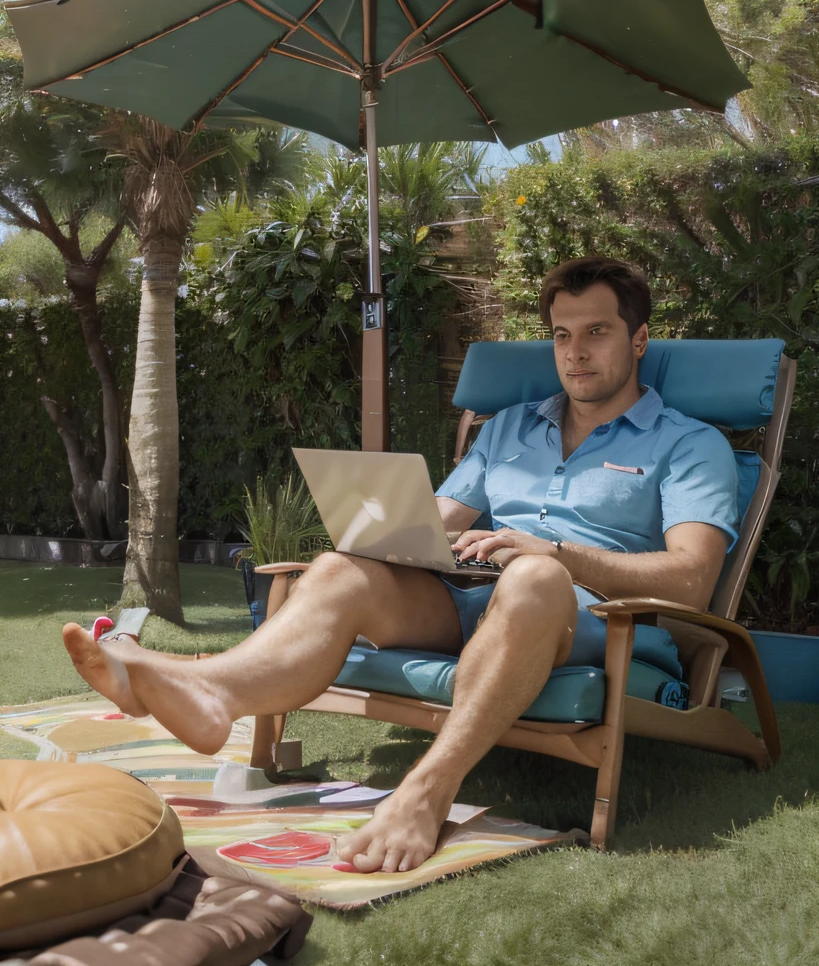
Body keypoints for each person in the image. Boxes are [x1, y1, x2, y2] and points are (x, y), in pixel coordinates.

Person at [62, 256, 739, 875]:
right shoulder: (509, 428)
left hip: (596, 618)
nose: (575, 352)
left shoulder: (687, 444)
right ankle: (213, 694)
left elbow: (690, 577)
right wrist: (381, 532)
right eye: (561, 336)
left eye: (595, 332)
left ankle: (425, 792)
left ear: (639, 340)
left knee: (533, 577)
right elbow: (440, 519)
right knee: (338, 567)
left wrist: (553, 554)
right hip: (475, 601)